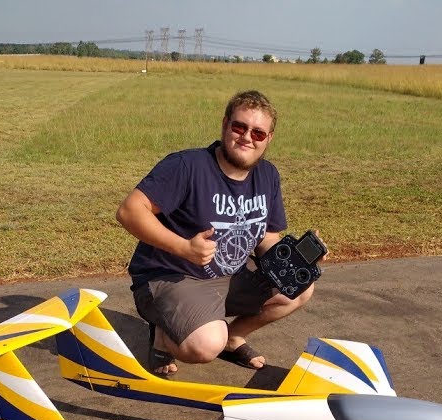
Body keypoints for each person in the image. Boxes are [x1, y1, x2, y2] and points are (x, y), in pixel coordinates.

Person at [117, 89, 318, 377]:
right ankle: (162, 334)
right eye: (239, 127)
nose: (247, 137)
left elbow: (267, 238)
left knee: (299, 286)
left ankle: (233, 338)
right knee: (205, 345)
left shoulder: (268, 175)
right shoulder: (187, 166)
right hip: (173, 276)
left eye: (258, 133)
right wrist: (184, 248)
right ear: (225, 125)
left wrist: (298, 259)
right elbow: (129, 211)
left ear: (269, 138)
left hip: (227, 276)